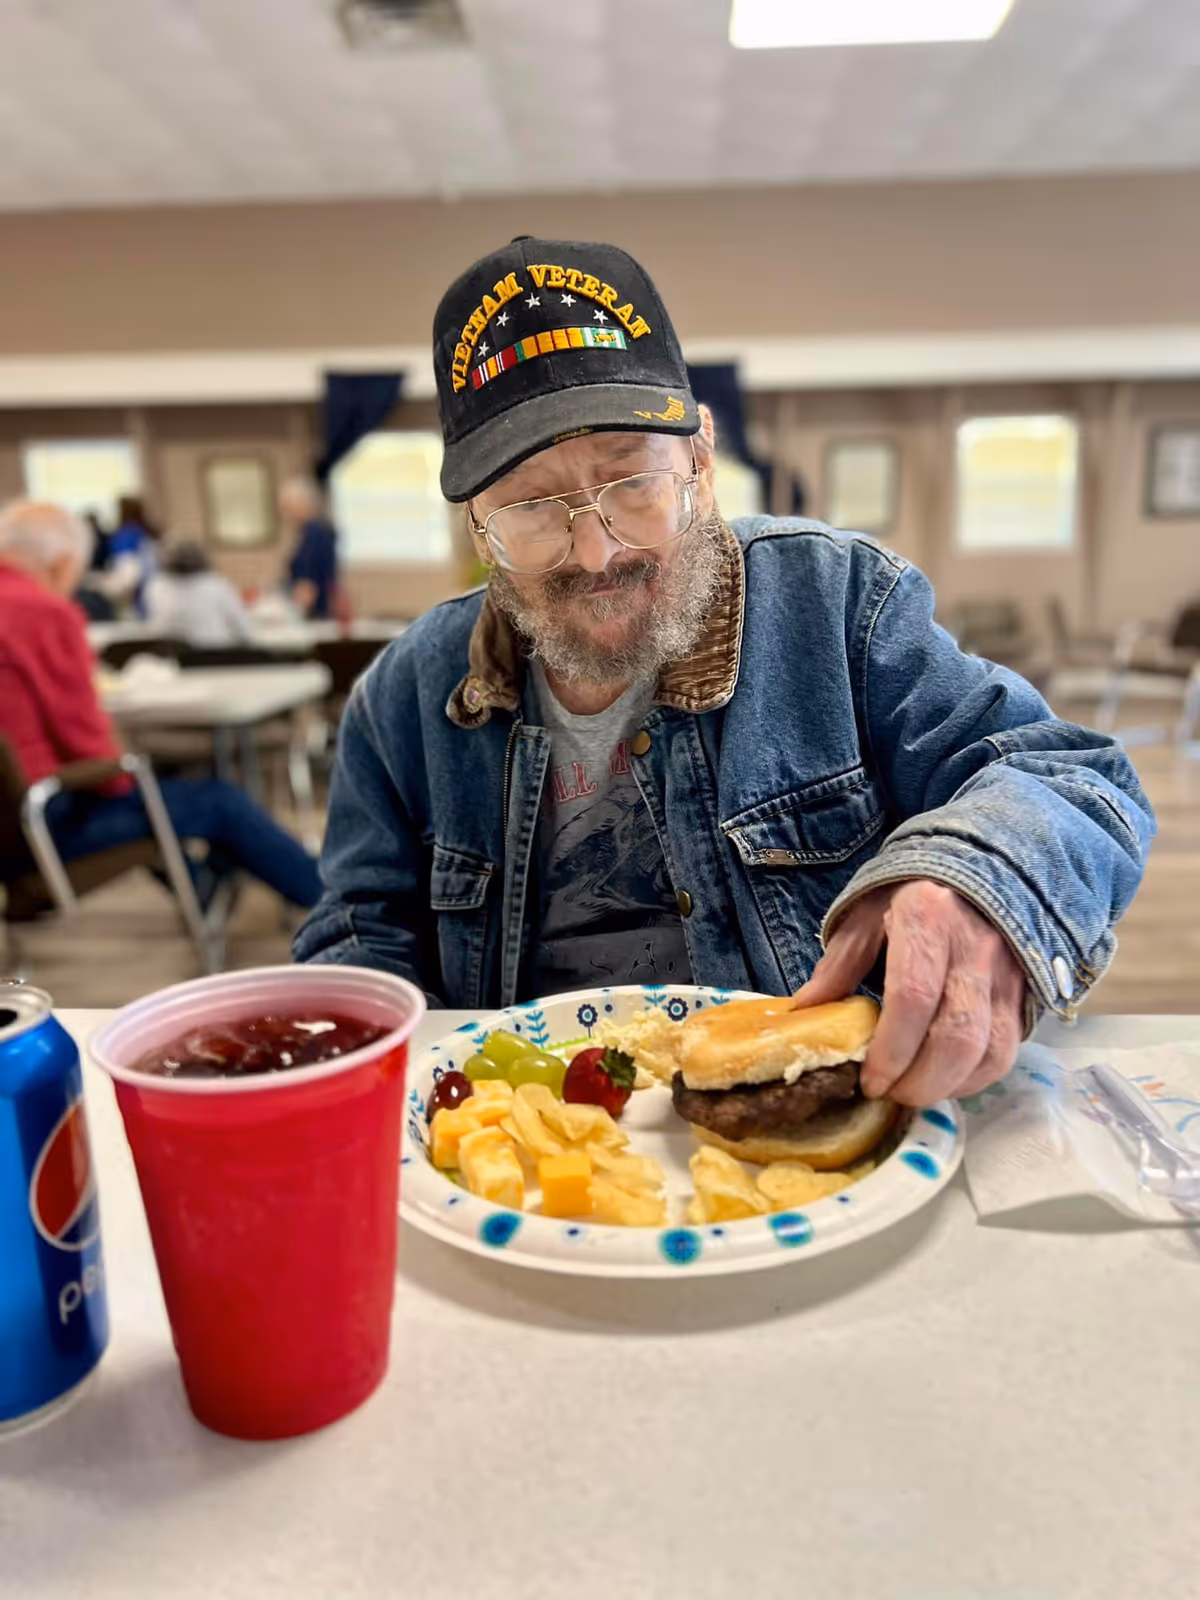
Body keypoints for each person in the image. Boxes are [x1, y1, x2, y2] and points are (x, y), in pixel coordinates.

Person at [294, 237, 1154, 1110]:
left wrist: (979, 876)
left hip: (824, 1127)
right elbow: (359, 937)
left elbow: (1069, 776)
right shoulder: (403, 698)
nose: (596, 553)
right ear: (477, 525)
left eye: (632, 481)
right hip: (531, 1157)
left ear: (701, 460)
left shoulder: (840, 604)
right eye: (531, 509)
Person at [0, 500, 322, 911]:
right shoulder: (41, 611)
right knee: (217, 800)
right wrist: (129, 783)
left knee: (172, 798)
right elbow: (86, 742)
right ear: (62, 565)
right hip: (40, 824)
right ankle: (338, 905)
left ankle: (206, 884)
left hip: (11, 822)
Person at [145, 541, 252, 648]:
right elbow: (243, 629)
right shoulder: (217, 584)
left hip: (169, 657)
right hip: (213, 654)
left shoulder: (156, 585)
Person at [281, 477, 338, 620]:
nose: (286, 515)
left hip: (314, 613)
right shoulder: (314, 532)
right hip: (317, 609)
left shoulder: (314, 534)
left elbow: (307, 587)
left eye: (288, 508)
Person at [106, 495, 161, 618]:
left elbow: (127, 569)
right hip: (158, 587)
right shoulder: (149, 531)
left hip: (138, 590)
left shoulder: (126, 534)